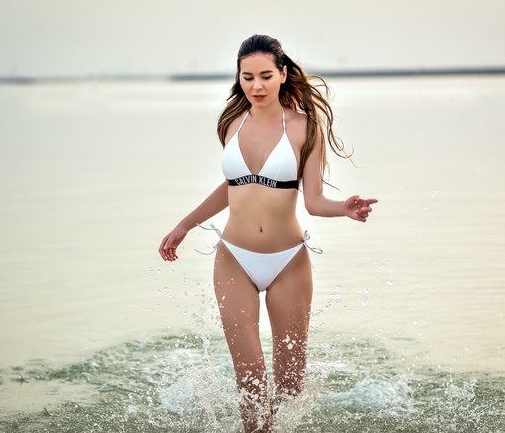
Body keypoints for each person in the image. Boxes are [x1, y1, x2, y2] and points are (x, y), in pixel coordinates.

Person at [159, 34, 377, 432]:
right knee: (250, 377)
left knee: (290, 385)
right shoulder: (230, 122)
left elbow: (313, 200)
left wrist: (343, 209)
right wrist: (184, 224)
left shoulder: (304, 128)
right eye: (247, 77)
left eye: (264, 76)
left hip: (288, 261)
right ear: (238, 79)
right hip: (234, 258)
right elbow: (233, 185)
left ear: (283, 74)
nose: (255, 86)